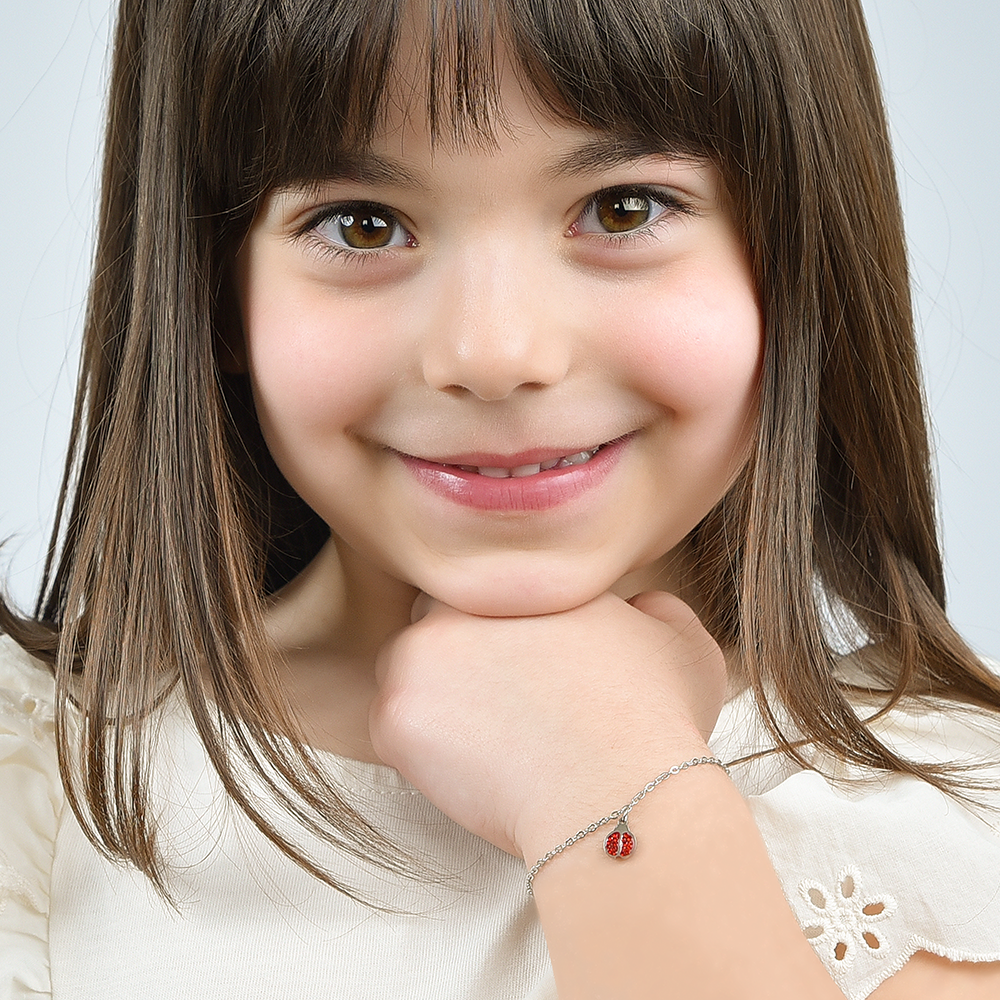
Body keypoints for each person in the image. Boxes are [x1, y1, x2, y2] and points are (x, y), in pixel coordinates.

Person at [1, 0, 999, 996]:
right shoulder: (38, 796)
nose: (492, 353)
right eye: (363, 224)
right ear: (216, 288)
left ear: (800, 255)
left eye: (623, 207)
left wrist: (612, 784)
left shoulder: (952, 825)